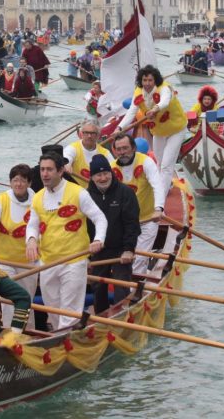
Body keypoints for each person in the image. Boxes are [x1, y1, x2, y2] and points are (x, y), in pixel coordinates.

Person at [25, 153, 107, 330]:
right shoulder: (38, 197)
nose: (44, 174)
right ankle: (60, 337)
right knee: (52, 308)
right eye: (42, 170)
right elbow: (32, 225)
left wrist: (98, 239)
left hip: (74, 261)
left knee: (69, 311)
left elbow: (100, 218)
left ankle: (65, 341)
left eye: (49, 170)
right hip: (48, 262)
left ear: (61, 171)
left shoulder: (78, 193)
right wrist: (31, 240)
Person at [0, 164, 38, 328]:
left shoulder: (38, 201)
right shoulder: (1, 201)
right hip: (4, 262)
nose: (18, 184)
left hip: (29, 262)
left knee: (27, 299)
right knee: (9, 300)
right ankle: (8, 333)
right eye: (15, 180)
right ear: (10, 183)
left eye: (22, 180)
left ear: (29, 183)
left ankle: (29, 333)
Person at [117, 65, 188, 196]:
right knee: (159, 162)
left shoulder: (164, 88)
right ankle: (166, 184)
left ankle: (161, 198)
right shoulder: (138, 92)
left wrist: (155, 109)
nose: (147, 83)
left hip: (176, 129)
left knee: (166, 165)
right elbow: (131, 112)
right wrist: (119, 128)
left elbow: (165, 101)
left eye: (150, 80)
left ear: (155, 80)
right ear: (141, 81)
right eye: (145, 80)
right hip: (159, 131)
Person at [86, 154, 141, 314]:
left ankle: (120, 317)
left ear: (111, 172)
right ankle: (100, 320)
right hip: (97, 250)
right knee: (98, 288)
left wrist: (129, 249)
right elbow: (83, 227)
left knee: (121, 286)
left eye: (106, 173)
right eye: (98, 175)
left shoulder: (126, 193)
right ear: (92, 177)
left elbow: (132, 224)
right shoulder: (85, 196)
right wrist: (86, 255)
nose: (103, 178)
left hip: (120, 250)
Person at [109, 133, 165, 277]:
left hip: (148, 219)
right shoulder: (111, 168)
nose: (122, 152)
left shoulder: (146, 162)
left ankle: (135, 291)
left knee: (139, 258)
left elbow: (157, 185)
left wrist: (159, 208)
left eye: (125, 148)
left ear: (133, 148)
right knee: (123, 258)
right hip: (125, 223)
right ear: (115, 151)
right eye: (119, 149)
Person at [63, 121, 114, 187]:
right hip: (76, 191)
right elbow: (67, 158)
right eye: (86, 133)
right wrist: (67, 164)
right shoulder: (72, 148)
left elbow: (114, 169)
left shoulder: (105, 153)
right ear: (81, 134)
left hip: (98, 192)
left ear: (98, 135)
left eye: (93, 133)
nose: (89, 136)